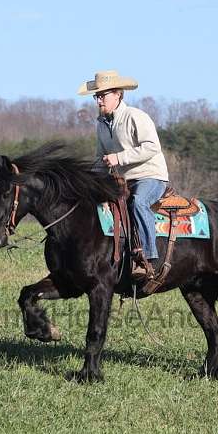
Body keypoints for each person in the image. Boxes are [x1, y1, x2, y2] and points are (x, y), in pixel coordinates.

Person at [78, 70, 169, 280]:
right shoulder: (101, 124)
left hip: (150, 176)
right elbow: (100, 160)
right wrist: (88, 183)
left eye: (103, 95)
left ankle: (147, 257)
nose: (99, 100)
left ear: (118, 94)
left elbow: (152, 147)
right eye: (97, 96)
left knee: (138, 202)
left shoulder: (136, 116)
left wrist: (119, 158)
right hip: (122, 181)